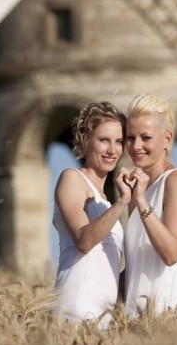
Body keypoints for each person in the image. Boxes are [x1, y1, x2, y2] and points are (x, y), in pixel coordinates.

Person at [117, 93, 177, 316]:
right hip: (139, 316)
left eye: (146, 137)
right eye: (130, 138)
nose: (136, 146)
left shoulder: (176, 181)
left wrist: (141, 202)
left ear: (167, 140)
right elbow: (136, 266)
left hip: (172, 314)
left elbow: (171, 253)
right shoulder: (136, 190)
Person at [52, 101, 131, 324]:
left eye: (119, 142)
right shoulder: (72, 179)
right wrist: (123, 201)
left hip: (104, 317)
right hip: (75, 310)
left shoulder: (106, 201)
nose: (112, 150)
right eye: (103, 140)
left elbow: (105, 269)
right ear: (86, 141)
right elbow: (84, 242)